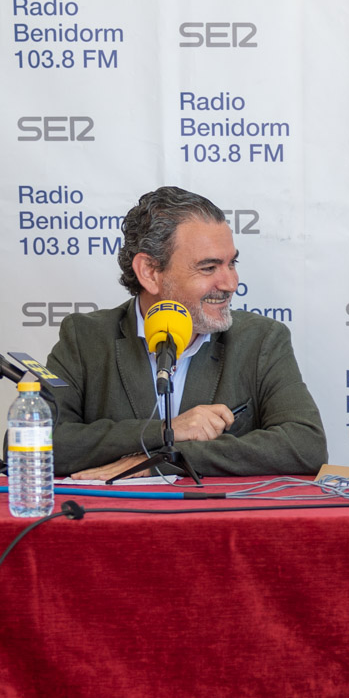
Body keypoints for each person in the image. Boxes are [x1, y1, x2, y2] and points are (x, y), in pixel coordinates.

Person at [47, 187, 327, 479]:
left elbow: (306, 445)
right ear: (149, 272)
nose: (230, 283)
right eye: (209, 267)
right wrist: (164, 431)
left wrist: (167, 460)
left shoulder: (262, 339)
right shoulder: (85, 337)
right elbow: (37, 441)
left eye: (231, 263)